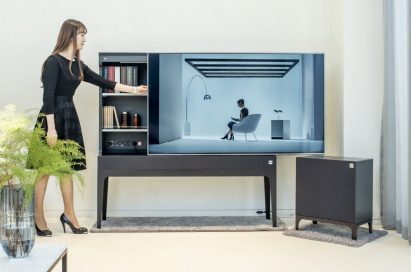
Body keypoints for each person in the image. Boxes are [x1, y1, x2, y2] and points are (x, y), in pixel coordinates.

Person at [33, 19, 148, 236]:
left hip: (69, 115)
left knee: (67, 169)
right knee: (45, 171)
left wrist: (134, 90)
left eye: (85, 35)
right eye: (81, 34)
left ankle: (69, 215)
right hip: (52, 118)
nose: (85, 39)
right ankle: (39, 219)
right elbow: (48, 98)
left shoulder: (78, 65)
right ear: (69, 36)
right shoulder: (53, 62)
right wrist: (51, 129)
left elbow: (103, 82)